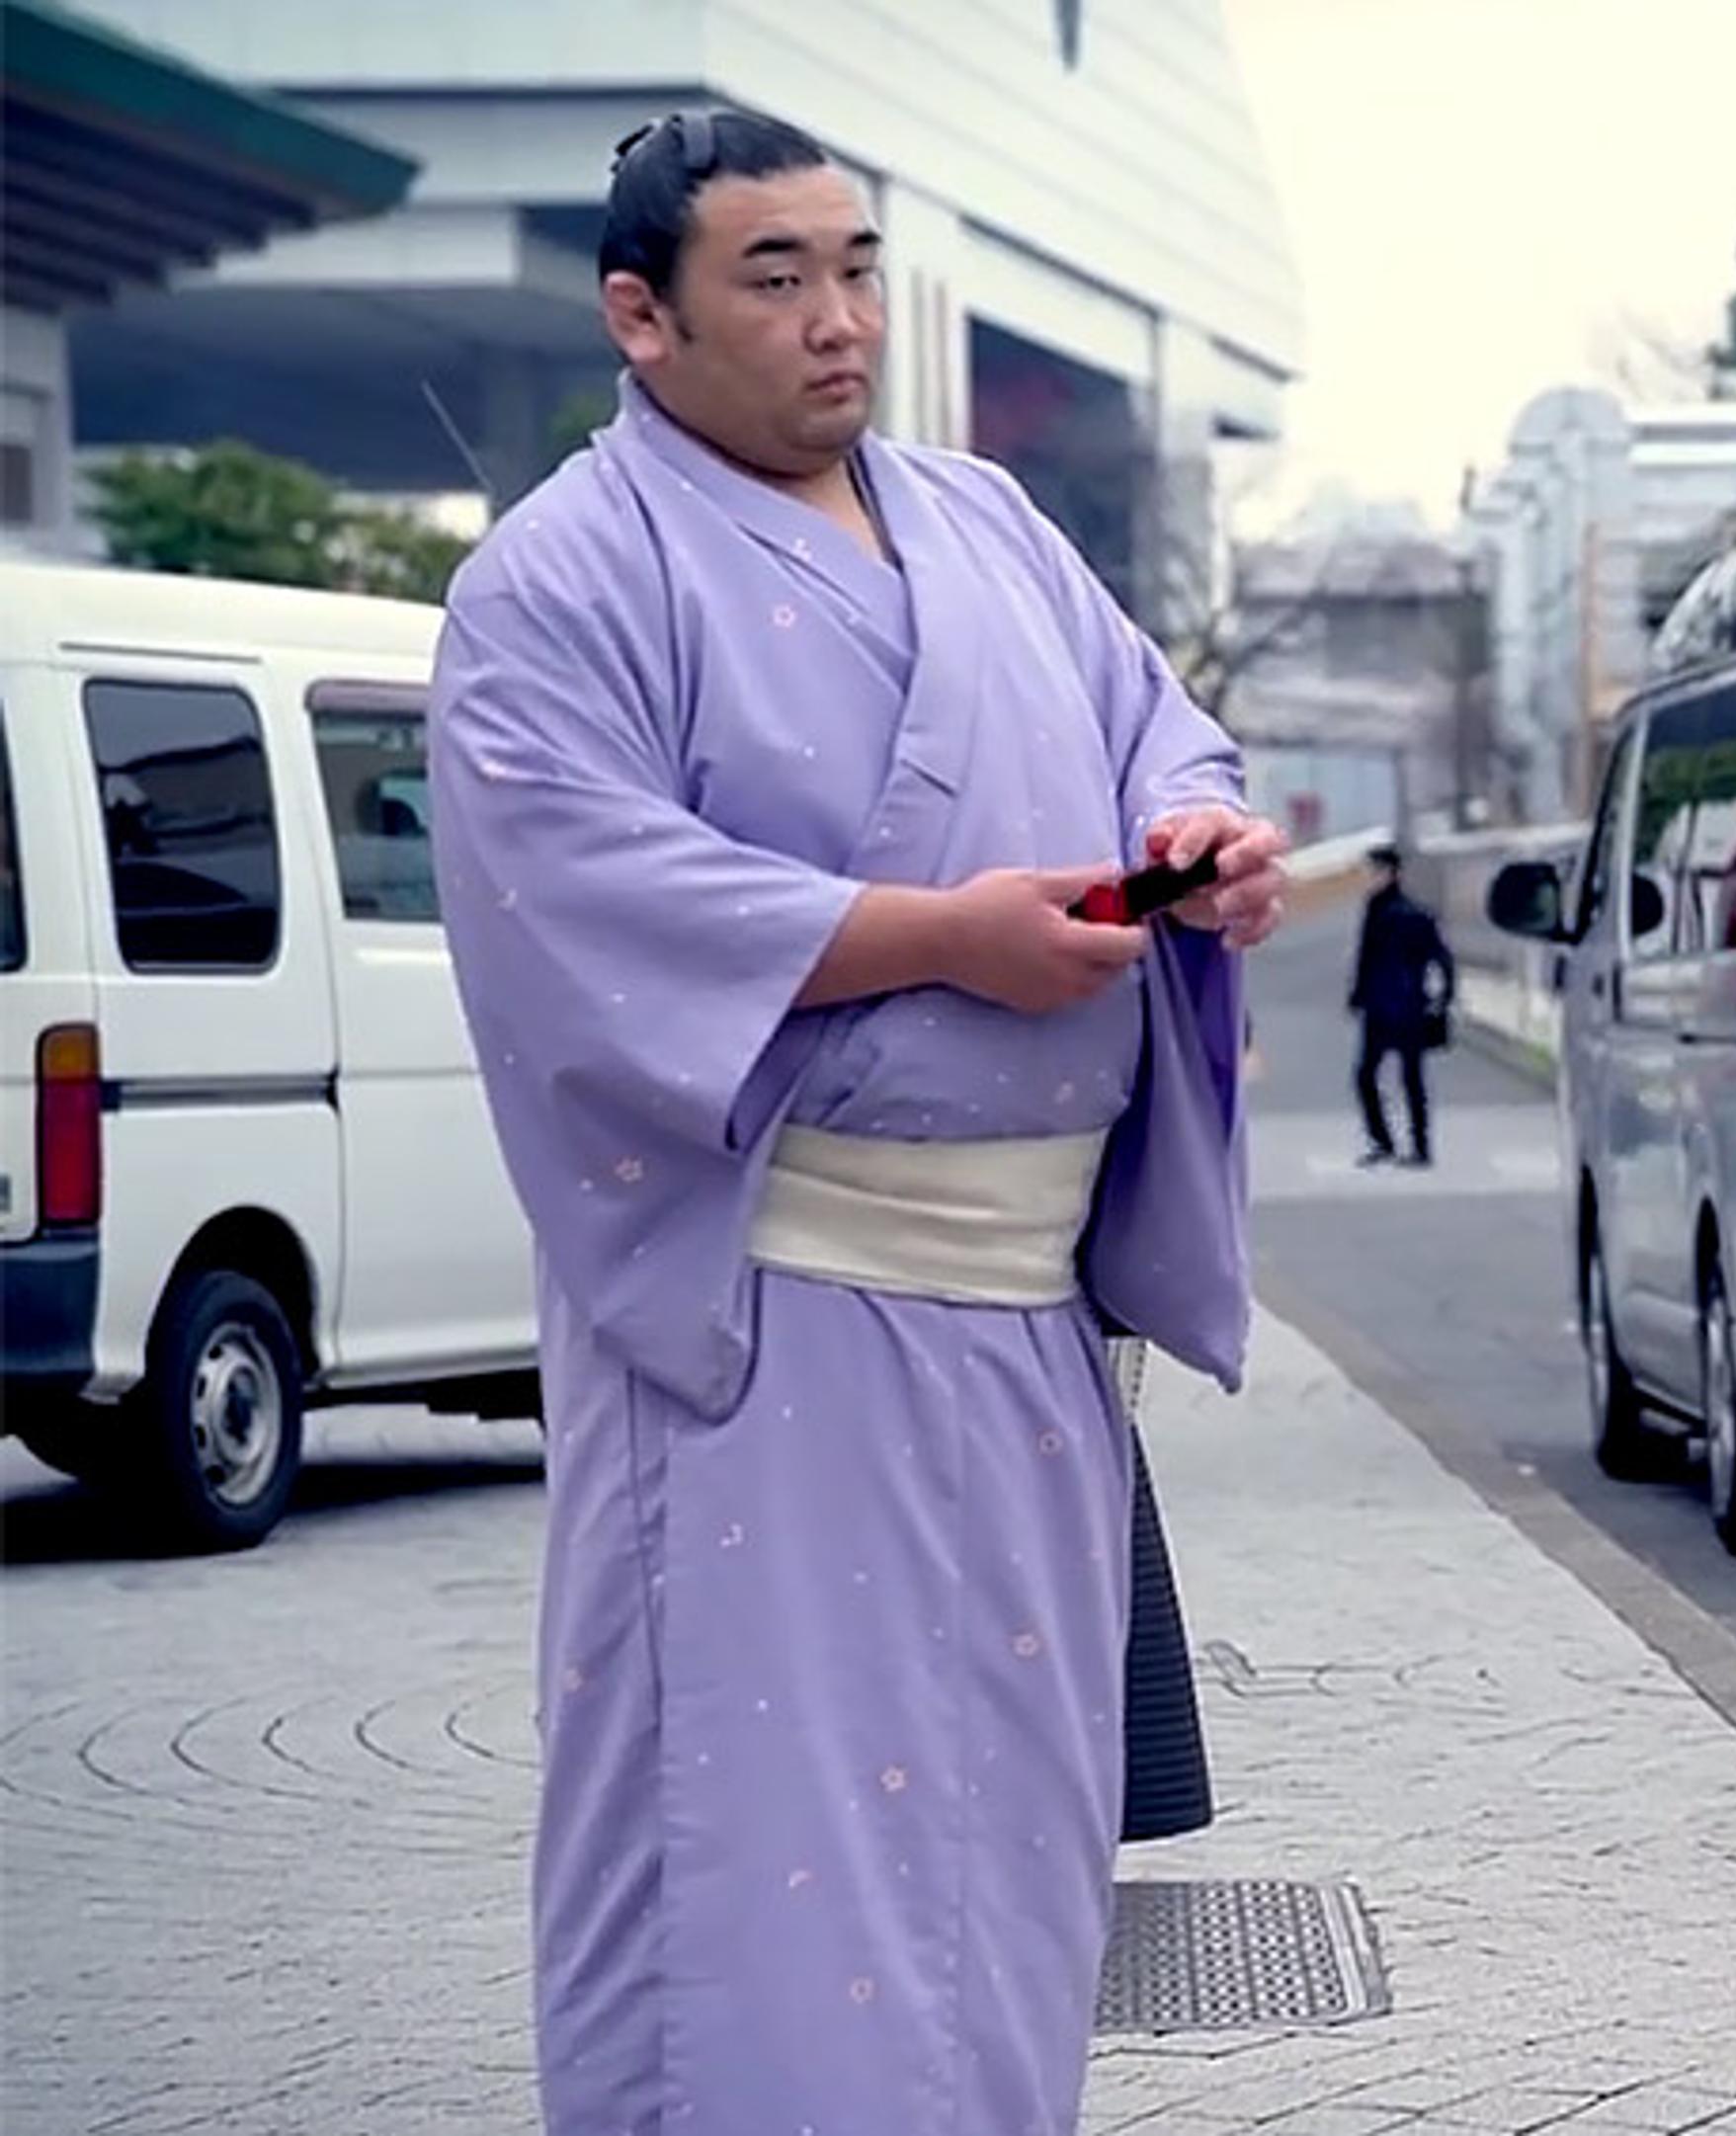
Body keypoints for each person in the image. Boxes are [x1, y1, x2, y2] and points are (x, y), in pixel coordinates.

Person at [425, 110, 1286, 2132]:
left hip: (1028, 1339)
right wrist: (942, 936)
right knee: (763, 1862)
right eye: (777, 278)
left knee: (1012, 1852)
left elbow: (1164, 726)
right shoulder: (563, 579)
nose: (841, 323)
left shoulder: (986, 517)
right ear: (643, 316)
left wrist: (1199, 840)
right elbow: (583, 892)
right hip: (781, 1326)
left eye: (858, 267)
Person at [1349, 842, 1456, 1168]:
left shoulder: (1387, 912)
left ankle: (1386, 1141)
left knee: (1371, 1075)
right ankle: (1417, 1146)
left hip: (1387, 1005)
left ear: (1390, 873)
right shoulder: (1410, 912)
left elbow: (1367, 958)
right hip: (1409, 1004)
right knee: (1408, 1077)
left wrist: (1358, 994)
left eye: (1374, 870)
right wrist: (1443, 998)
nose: (1370, 877)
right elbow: (1443, 958)